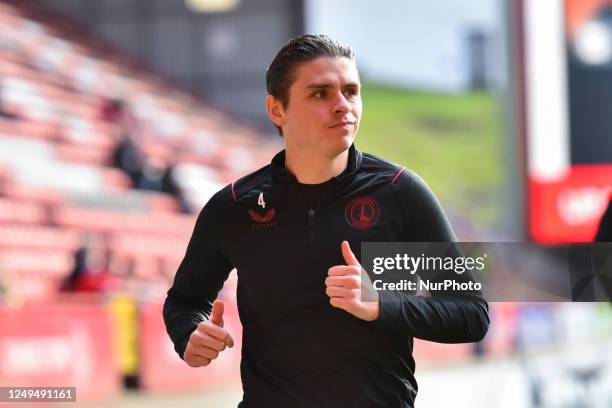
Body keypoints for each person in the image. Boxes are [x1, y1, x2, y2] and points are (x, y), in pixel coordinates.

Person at [163, 35, 489, 407]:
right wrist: (189, 334)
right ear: (276, 110)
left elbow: (471, 314)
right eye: (320, 94)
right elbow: (185, 301)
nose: (342, 106)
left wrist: (381, 303)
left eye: (351, 91)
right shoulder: (235, 206)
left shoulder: (400, 193)